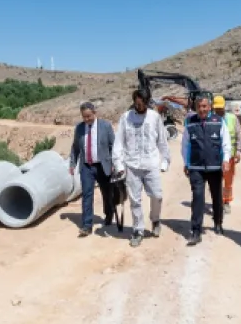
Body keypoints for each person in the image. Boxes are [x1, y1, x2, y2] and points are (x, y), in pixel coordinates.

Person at [112, 88, 171, 247]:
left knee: (157, 195)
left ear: (147, 101)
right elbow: (119, 143)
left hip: (151, 164)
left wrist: (165, 161)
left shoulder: (155, 117)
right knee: (135, 200)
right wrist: (119, 164)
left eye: (143, 103)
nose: (140, 106)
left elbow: (162, 141)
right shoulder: (126, 118)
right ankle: (138, 230)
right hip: (132, 166)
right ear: (134, 102)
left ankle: (155, 220)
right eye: (137, 103)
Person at [181, 96, 231, 245]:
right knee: (197, 197)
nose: (202, 109)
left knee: (216, 196)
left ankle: (218, 222)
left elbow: (226, 143)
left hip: (215, 167)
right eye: (199, 107)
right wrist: (186, 163)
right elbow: (185, 145)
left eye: (204, 106)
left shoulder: (218, 121)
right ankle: (196, 230)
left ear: (209, 107)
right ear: (196, 108)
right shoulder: (190, 123)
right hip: (196, 167)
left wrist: (226, 160)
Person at [69, 101, 117, 237]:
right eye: (84, 117)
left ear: (94, 113)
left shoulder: (105, 126)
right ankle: (87, 225)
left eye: (88, 116)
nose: (86, 119)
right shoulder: (79, 128)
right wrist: (72, 164)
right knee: (87, 195)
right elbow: (75, 148)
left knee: (106, 193)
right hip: (86, 166)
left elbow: (113, 146)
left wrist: (114, 163)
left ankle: (109, 214)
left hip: (103, 165)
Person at [212, 95, 241, 212]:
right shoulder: (210, 119)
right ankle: (217, 201)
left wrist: (238, 151)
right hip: (214, 157)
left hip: (229, 156)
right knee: (215, 180)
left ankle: (226, 202)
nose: (219, 111)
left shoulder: (233, 118)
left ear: (224, 106)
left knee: (228, 180)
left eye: (220, 108)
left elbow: (239, 136)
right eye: (216, 108)